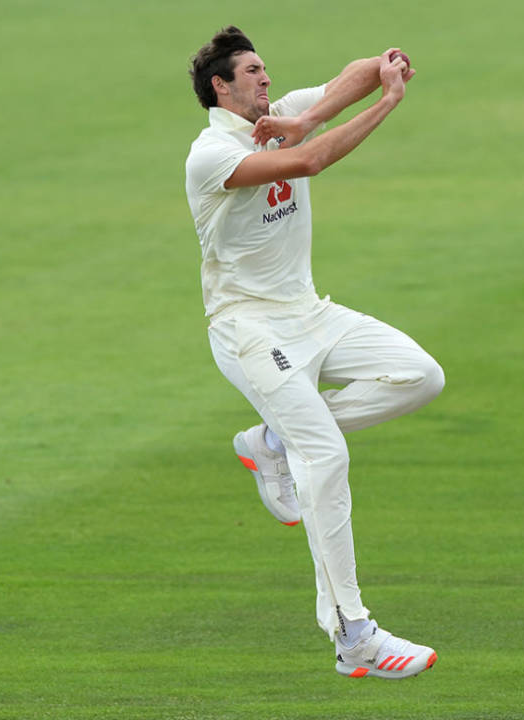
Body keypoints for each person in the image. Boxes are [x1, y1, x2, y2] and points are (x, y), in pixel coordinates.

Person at [184, 26, 445, 679]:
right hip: (250, 330)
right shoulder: (211, 153)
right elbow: (308, 162)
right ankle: (354, 634)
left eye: (266, 68)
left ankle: (272, 440)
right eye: (251, 71)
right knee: (325, 453)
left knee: (420, 376)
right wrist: (383, 105)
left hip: (311, 312)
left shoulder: (283, 114)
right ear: (220, 86)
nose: (265, 79)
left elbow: (347, 79)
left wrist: (385, 66)